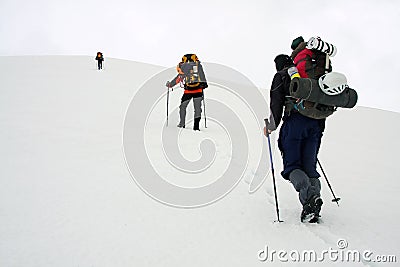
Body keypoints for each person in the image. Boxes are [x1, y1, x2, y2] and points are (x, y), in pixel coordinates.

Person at [264, 54, 323, 223]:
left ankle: (310, 199)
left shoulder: (281, 76)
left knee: (292, 167)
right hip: (316, 125)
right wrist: (319, 129)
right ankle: (314, 203)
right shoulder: (309, 77)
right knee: (310, 167)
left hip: (294, 123)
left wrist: (271, 126)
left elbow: (276, 103)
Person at [166, 54, 208, 131]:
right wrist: (204, 84)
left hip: (188, 91)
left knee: (183, 107)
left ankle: (182, 124)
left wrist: (170, 84)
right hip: (198, 90)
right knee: (197, 109)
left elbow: (179, 78)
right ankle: (196, 127)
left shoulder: (183, 67)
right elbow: (202, 75)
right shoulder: (198, 65)